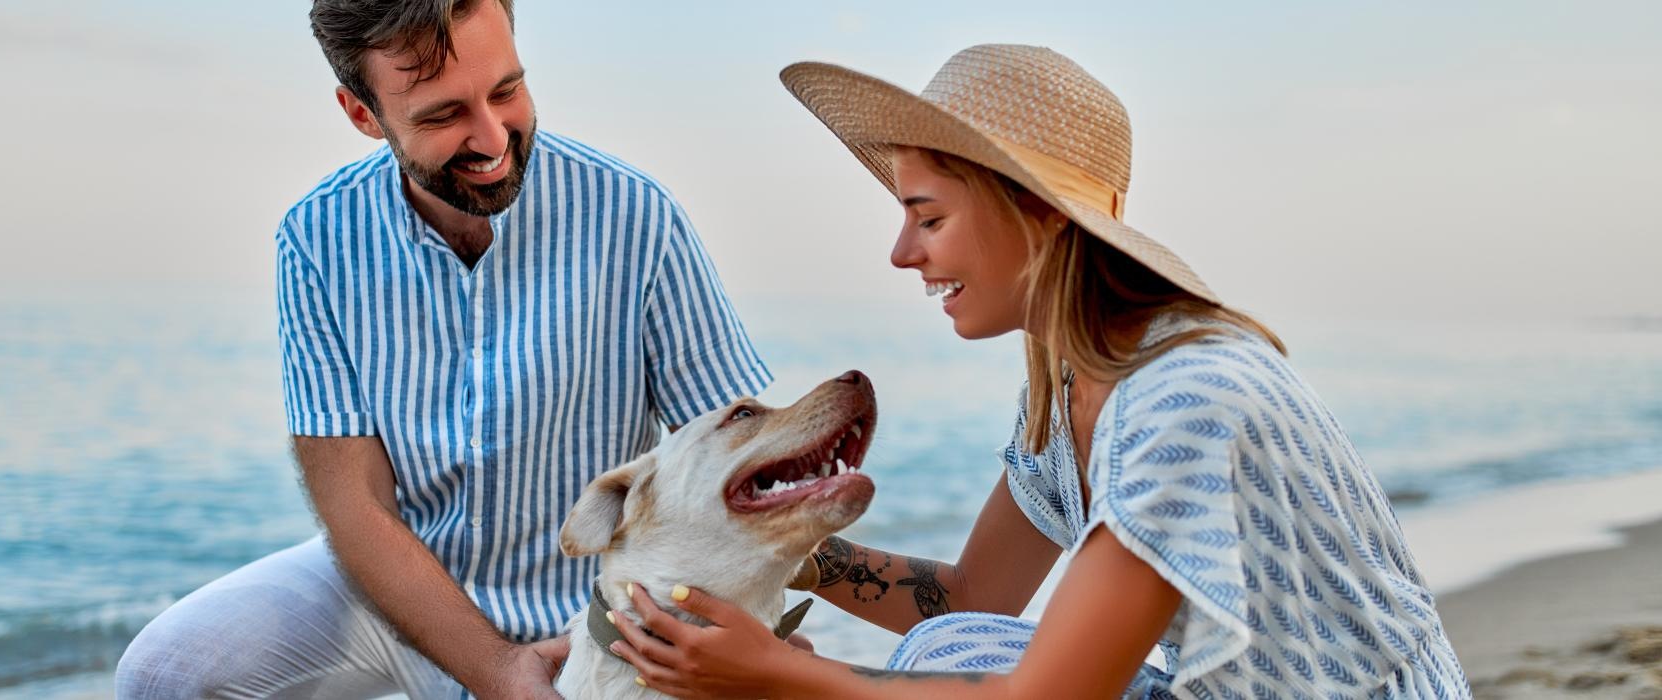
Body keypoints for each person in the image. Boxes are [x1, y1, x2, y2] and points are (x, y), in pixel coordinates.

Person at [607, 44, 1471, 699]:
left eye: (928, 217)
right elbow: (974, 596)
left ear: (1038, 216)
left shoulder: (1184, 400)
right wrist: (775, 544)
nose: (903, 253)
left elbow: (1051, 698)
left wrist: (786, 678)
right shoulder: (1072, 388)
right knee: (951, 649)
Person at [114, 1, 771, 697]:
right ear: (362, 114)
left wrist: (765, 640)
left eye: (507, 90)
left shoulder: (636, 217)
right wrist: (494, 668)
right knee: (163, 674)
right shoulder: (316, 238)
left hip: (592, 608)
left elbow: (742, 459)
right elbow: (354, 501)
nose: (492, 137)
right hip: (398, 590)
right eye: (441, 115)